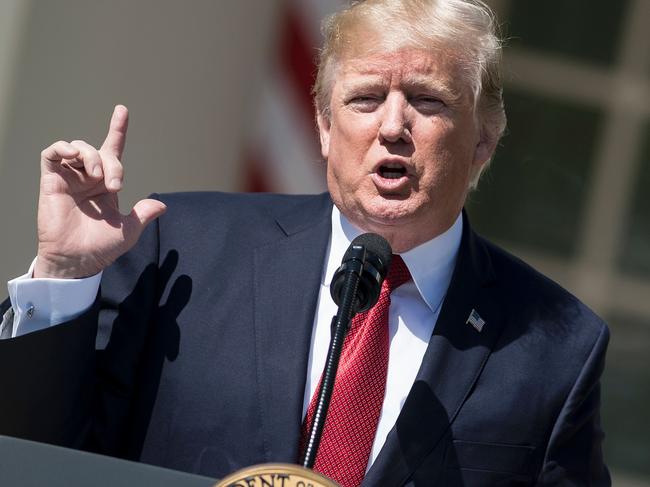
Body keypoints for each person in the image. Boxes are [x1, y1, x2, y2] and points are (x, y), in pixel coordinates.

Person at [0, 0, 610, 485]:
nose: (392, 126)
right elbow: (31, 457)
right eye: (366, 98)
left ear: (484, 140)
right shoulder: (181, 249)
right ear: (322, 126)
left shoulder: (555, 345)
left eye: (427, 100)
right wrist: (63, 276)